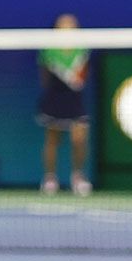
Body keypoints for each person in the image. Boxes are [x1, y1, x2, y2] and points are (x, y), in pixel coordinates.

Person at [37, 15, 92, 196]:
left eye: (71, 25)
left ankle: (78, 177)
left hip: (74, 99)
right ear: (56, 28)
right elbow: (44, 77)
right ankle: (50, 178)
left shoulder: (82, 49)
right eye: (63, 25)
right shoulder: (48, 50)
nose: (67, 27)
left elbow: (83, 77)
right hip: (55, 96)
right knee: (52, 140)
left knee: (79, 139)